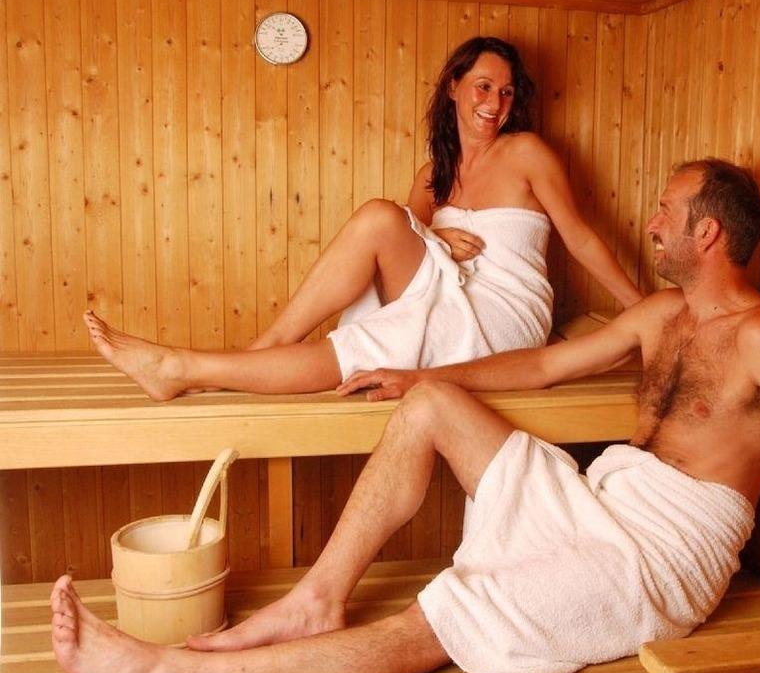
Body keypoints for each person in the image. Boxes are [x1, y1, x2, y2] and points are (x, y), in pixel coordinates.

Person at [51, 158, 760, 673]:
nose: (652, 222)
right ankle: (316, 600)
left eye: (666, 210)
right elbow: (544, 366)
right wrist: (422, 377)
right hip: (598, 501)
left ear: (708, 232)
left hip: (659, 557)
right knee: (430, 407)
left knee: (440, 618)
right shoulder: (662, 314)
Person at [82, 36, 642, 401]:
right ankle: (260, 349)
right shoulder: (434, 173)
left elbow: (581, 239)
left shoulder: (526, 153)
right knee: (380, 220)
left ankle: (192, 367)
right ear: (453, 87)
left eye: (506, 92)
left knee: (378, 239)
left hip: (502, 318)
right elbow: (405, 244)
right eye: (482, 86)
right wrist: (437, 237)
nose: (493, 103)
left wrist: (644, 314)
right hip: (444, 296)